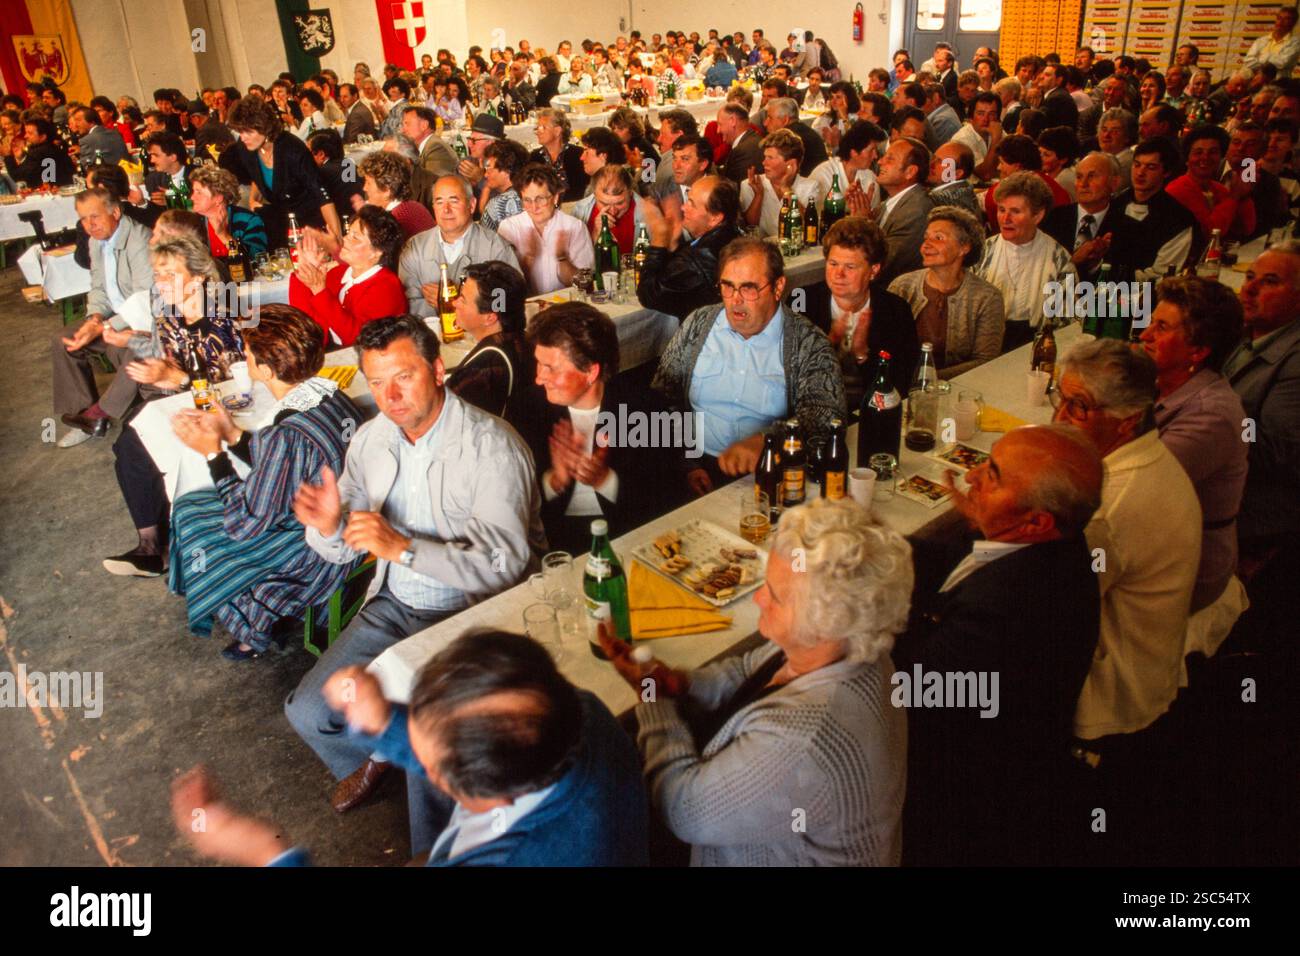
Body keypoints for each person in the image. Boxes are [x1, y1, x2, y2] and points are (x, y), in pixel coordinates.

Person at [286, 314, 545, 813]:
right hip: (394, 604)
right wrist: (328, 525)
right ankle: (383, 754)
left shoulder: (492, 448)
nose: (390, 397)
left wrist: (402, 547)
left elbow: (503, 566)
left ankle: (415, 766)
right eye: (377, 382)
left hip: (473, 614)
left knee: (443, 740)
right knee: (310, 711)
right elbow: (345, 546)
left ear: (438, 370)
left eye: (404, 376)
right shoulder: (371, 439)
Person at [602, 498, 908, 865]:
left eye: (775, 596)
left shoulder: (803, 738)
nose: (759, 598)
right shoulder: (852, 645)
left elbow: (683, 809)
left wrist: (652, 700)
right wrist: (682, 685)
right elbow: (747, 670)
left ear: (824, 625)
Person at [175, 631, 648, 865]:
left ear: (461, 787)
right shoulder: (577, 712)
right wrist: (381, 720)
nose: (409, 750)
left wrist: (263, 849)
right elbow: (458, 740)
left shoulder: (513, 858)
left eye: (425, 760)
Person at [896, 424, 1102, 865]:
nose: (970, 477)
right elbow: (955, 561)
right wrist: (871, 542)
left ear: (1036, 522)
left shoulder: (1015, 608)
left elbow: (907, 692)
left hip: (961, 799)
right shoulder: (1040, 539)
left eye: (991, 474)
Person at [168, 305, 362, 660]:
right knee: (193, 507)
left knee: (192, 517)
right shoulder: (330, 393)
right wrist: (231, 433)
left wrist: (214, 455)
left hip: (312, 545)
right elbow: (286, 465)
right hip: (337, 518)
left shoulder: (284, 433)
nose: (244, 358)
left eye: (248, 354)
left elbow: (246, 524)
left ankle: (252, 624)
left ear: (267, 369)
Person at [1051, 340, 1200, 765]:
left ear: (1127, 420)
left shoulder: (1112, 504)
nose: (1059, 416)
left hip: (1111, 698)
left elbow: (1051, 605)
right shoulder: (1144, 457)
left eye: (1077, 406)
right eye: (1060, 397)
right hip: (1150, 668)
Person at [651, 237, 844, 494]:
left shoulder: (808, 343)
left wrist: (768, 441)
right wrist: (687, 463)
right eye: (727, 286)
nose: (735, 299)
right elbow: (662, 398)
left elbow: (825, 417)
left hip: (772, 472)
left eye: (749, 288)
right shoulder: (698, 324)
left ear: (778, 287)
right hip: (696, 468)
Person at [103, 235, 245, 577]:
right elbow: (173, 371)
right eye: (157, 274)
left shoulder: (226, 316)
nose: (160, 283)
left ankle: (160, 548)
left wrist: (178, 379)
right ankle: (152, 545)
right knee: (129, 441)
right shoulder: (168, 318)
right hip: (186, 400)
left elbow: (240, 386)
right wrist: (162, 373)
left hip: (232, 411)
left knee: (138, 444)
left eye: (170, 275)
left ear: (197, 279)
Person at [1137, 277, 1249, 663]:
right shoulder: (1159, 381)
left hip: (1184, 564)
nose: (1145, 333)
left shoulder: (1211, 415)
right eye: (1151, 321)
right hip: (1148, 537)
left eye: (1162, 328)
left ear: (1199, 350)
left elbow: (1133, 487)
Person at [517, 304, 672, 552]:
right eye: (538, 364)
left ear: (590, 371)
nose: (538, 378)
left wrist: (604, 480)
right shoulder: (528, 410)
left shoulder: (645, 409)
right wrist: (555, 481)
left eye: (551, 368)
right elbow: (515, 505)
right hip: (557, 546)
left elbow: (663, 499)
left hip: (627, 541)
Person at [53, 188, 156, 448]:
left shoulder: (140, 240)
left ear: (116, 212)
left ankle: (100, 413)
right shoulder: (95, 241)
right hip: (111, 317)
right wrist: (93, 319)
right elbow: (99, 287)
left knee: (137, 348)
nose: (90, 225)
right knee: (65, 340)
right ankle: (83, 415)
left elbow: (145, 298)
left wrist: (107, 326)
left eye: (95, 217)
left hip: (142, 318)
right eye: (83, 219)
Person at [1226, 243, 1300, 560]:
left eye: (1270, 282)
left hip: (1252, 510)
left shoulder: (1294, 362)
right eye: (1250, 277)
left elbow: (1272, 446)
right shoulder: (1247, 331)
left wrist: (1222, 422)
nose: (1250, 288)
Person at [797, 217, 918, 405]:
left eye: (850, 267)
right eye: (833, 263)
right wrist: (827, 346)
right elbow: (787, 375)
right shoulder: (802, 299)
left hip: (869, 411)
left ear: (874, 270)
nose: (838, 275)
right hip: (811, 405)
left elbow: (901, 383)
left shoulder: (896, 311)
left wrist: (863, 356)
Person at [890, 206, 1005, 379]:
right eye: (926, 237)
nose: (926, 245)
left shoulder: (987, 298)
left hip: (961, 388)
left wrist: (930, 379)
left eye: (938, 238)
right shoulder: (902, 286)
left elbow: (985, 360)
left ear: (963, 248)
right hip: (902, 386)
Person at [975, 171, 1075, 348]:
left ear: (1037, 216)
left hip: (1035, 345)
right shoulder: (983, 251)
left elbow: (1066, 322)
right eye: (1001, 210)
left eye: (1015, 211)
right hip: (984, 343)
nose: (1005, 219)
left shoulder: (1059, 259)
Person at [225, 95, 339, 247]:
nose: (243, 137)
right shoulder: (246, 148)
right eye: (240, 132)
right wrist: (253, 199)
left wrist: (336, 239)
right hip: (279, 218)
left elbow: (322, 195)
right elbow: (258, 176)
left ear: (264, 127)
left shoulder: (292, 149)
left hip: (310, 219)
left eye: (248, 132)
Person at [398, 174, 520, 317]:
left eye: (454, 201)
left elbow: (510, 301)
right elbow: (408, 305)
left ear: (472, 205)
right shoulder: (414, 248)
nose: (446, 210)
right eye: (439, 202)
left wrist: (459, 301)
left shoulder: (496, 247)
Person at [289, 205, 407, 346]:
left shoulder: (386, 286)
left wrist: (320, 291)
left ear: (377, 252)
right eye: (348, 233)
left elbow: (360, 340)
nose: (345, 239)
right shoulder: (338, 274)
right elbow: (304, 326)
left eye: (355, 237)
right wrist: (306, 269)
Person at [636, 175, 739, 320]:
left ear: (715, 217)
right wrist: (673, 244)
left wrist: (659, 240)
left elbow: (648, 295)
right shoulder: (732, 234)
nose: (683, 207)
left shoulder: (697, 260)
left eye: (692, 204)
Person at [445, 260, 531, 422]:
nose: (454, 303)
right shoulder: (527, 340)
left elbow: (446, 421)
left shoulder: (484, 368)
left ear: (490, 317)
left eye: (462, 299)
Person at [497, 163, 593, 295]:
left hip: (565, 305)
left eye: (540, 199)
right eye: (527, 200)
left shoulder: (574, 227)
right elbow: (505, 288)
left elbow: (585, 285)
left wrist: (562, 259)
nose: (534, 207)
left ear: (555, 197)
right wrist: (529, 258)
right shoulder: (509, 228)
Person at [1042, 152, 1135, 281]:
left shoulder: (1129, 229)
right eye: (1079, 177)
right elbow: (1041, 274)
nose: (1083, 184)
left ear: (1114, 183)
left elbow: (1127, 283)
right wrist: (1074, 260)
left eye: (1092, 176)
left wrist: (1096, 264)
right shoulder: (1052, 219)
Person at [1113, 137, 1195, 279]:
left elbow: (1161, 275)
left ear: (1166, 172)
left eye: (1151, 167)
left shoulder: (1178, 220)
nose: (1140, 173)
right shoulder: (1114, 204)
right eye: (1137, 165)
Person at [1166, 125, 1257, 245]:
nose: (1205, 157)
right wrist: (1234, 197)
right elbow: (1209, 233)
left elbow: (1245, 229)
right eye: (1198, 152)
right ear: (1187, 159)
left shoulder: (1219, 189)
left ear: (1220, 157)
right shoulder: (1177, 190)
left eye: (1213, 152)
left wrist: (1244, 196)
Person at [872, 136, 934, 285]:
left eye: (890, 159)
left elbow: (882, 265)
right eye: (883, 157)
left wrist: (861, 222)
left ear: (910, 172)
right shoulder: (891, 201)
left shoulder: (916, 210)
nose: (880, 162)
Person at [739, 129, 819, 239]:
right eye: (765, 157)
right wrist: (758, 195)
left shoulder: (811, 187)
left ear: (791, 164)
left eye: (770, 158)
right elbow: (751, 226)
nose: (764, 162)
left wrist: (786, 189)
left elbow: (808, 226)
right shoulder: (750, 184)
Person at [810, 119, 887, 219]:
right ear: (854, 152)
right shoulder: (822, 175)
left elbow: (874, 220)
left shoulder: (870, 178)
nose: (875, 156)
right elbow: (815, 218)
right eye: (871, 150)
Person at [188, 165, 268, 259]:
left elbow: (257, 259)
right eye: (193, 192)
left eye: (199, 192)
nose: (192, 197)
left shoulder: (249, 221)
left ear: (218, 198)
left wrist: (223, 235)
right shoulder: (193, 223)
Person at [356, 150, 434, 237]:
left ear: (386, 190)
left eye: (368, 183)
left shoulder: (393, 221)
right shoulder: (415, 206)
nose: (364, 188)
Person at [572, 164, 646, 252]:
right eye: (604, 203)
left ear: (630, 193)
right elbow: (575, 258)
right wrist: (595, 234)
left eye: (619, 203)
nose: (613, 211)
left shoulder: (648, 213)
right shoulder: (580, 210)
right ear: (594, 195)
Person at [400, 106, 459, 208]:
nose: (403, 130)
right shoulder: (425, 146)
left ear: (424, 125)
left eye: (407, 124)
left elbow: (432, 188)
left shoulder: (436, 148)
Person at [527, 108, 587, 202]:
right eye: (537, 128)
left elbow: (583, 191)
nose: (538, 131)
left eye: (543, 127)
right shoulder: (533, 157)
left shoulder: (578, 155)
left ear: (557, 131)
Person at [762, 97, 827, 177]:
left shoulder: (788, 140)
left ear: (785, 120)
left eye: (770, 118)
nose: (765, 123)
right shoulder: (807, 131)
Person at [5, 115, 73, 186]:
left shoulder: (38, 153)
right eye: (26, 132)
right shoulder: (53, 148)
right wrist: (21, 157)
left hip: (50, 194)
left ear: (43, 137)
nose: (25, 136)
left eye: (30, 133)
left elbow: (19, 177)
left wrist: (8, 156)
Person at [478, 138, 529, 231]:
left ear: (506, 170)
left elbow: (483, 240)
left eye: (489, 169)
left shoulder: (497, 204)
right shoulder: (537, 194)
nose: (485, 175)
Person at [927, 141, 982, 218]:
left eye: (940, 162)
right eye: (933, 158)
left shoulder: (937, 202)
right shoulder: (964, 188)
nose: (931, 164)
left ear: (957, 174)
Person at [1243, 5, 1300, 75]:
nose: (1280, 22)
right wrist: (1271, 59)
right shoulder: (1261, 40)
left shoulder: (1295, 43)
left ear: (1293, 23)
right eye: (1279, 18)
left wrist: (1262, 58)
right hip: (1252, 80)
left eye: (1286, 19)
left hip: (1278, 83)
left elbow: (1281, 63)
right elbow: (1248, 61)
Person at [716, 102, 763, 183]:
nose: (718, 130)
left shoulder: (744, 150)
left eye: (720, 124)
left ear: (733, 121)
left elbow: (734, 188)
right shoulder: (751, 140)